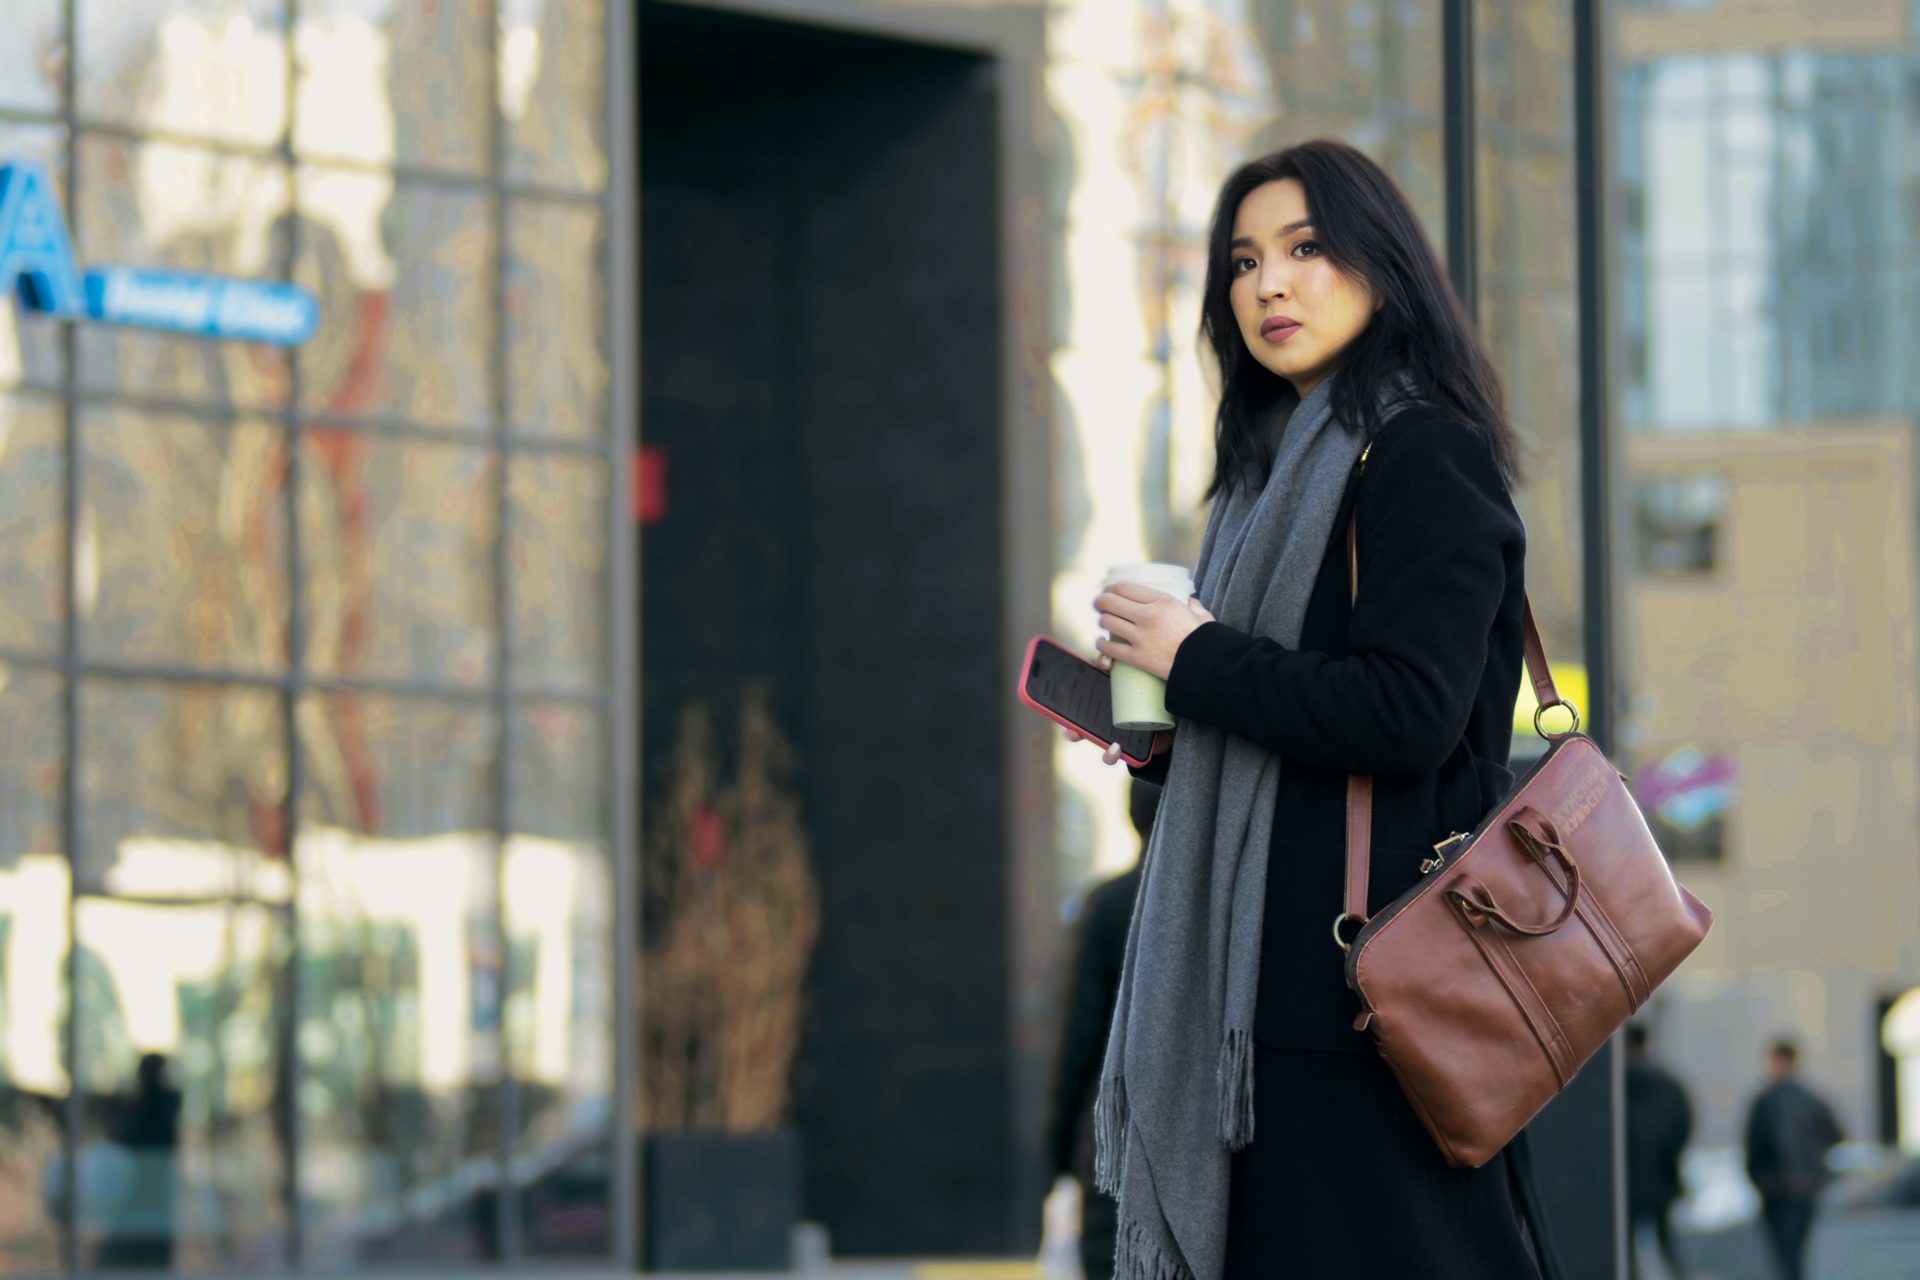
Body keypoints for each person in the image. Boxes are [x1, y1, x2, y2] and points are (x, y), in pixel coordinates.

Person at [1066, 139, 1545, 1279]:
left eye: (1305, 247)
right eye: (1242, 260)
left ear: (1382, 267)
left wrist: (1200, 659)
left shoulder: (1421, 451)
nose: (1268, 284)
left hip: (1372, 992)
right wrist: (1161, 730)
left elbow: (1412, 711)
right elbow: (1282, 743)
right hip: (1275, 1001)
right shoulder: (1262, 485)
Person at [1046, 781, 1161, 1280]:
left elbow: (1081, 1034)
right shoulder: (1230, 904)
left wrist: (1058, 1147)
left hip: (1112, 1132)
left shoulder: (1109, 904)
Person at [1744, 1038, 1843, 1280]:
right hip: (1805, 1187)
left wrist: (1760, 1180)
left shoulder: (1766, 1101)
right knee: (1796, 1252)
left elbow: (1754, 1146)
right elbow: (1835, 1135)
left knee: (1785, 1254)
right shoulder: (1811, 1099)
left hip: (1778, 1188)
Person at [1625, 1023, 1693, 1279]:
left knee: (1625, 1245)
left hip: (1628, 1178)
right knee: (1667, 1241)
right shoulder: (1668, 1083)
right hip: (1662, 1176)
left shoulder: (1618, 1085)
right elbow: (1684, 1124)